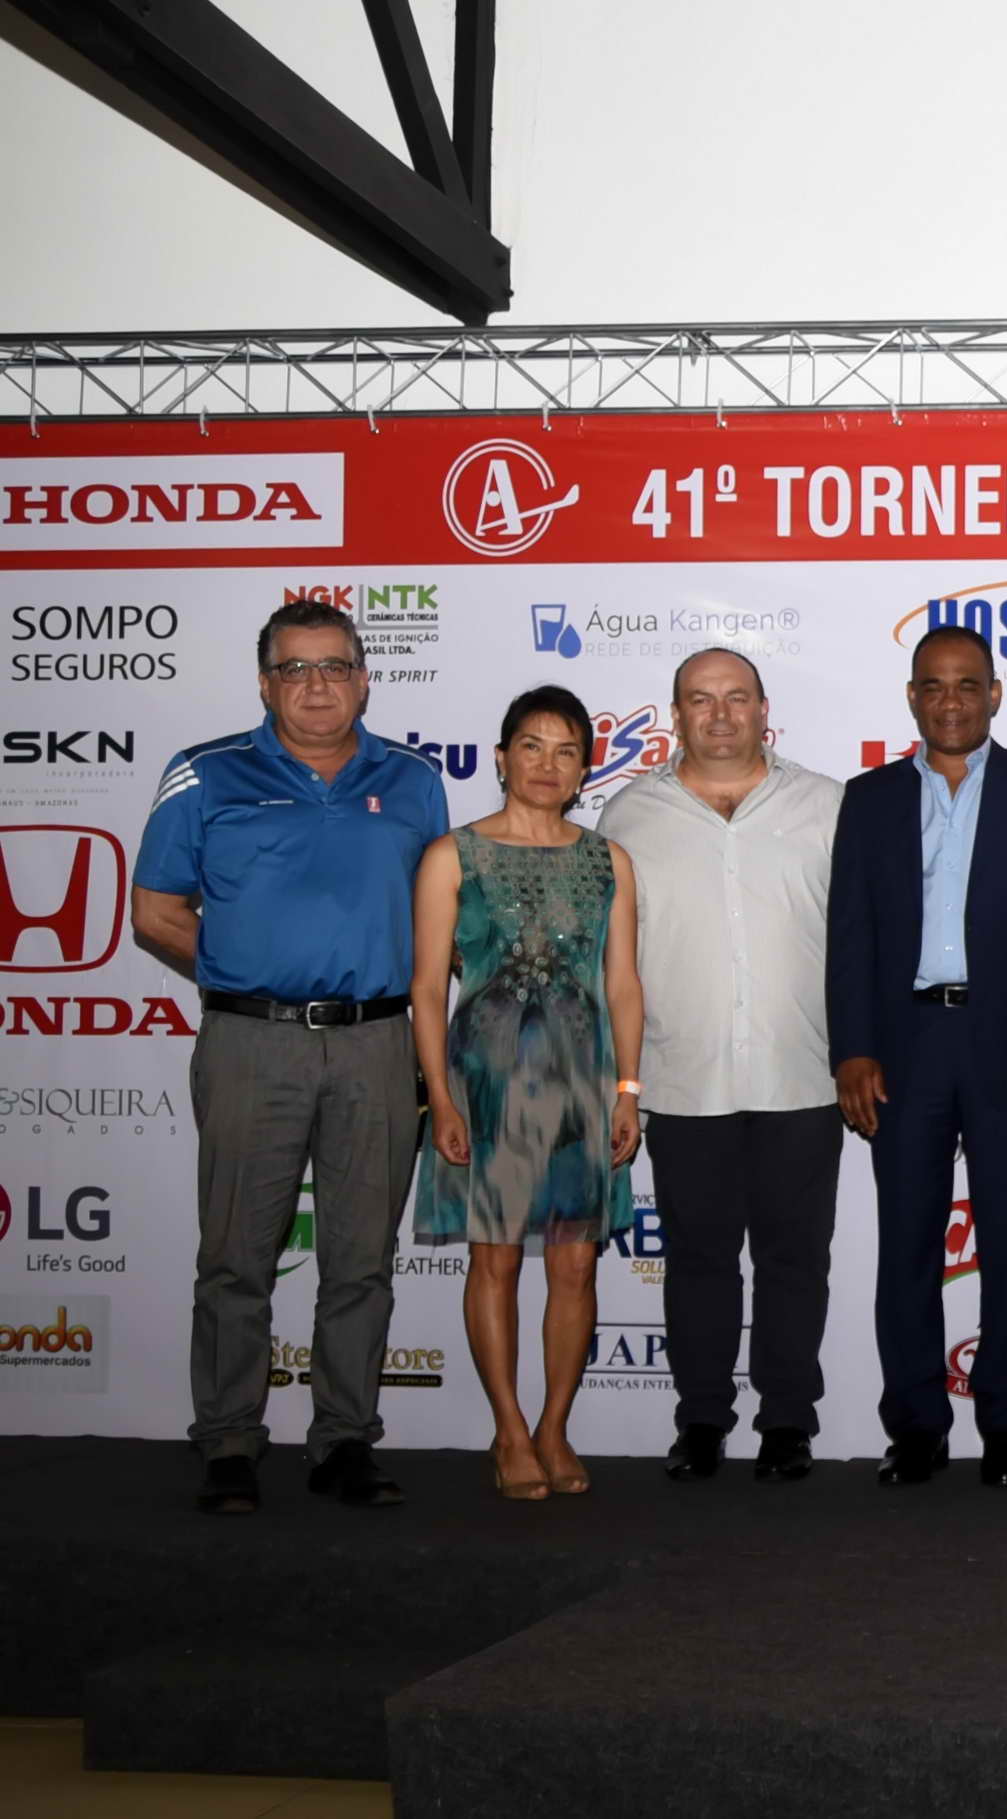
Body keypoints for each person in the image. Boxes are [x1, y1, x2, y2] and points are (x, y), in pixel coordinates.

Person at [132, 602, 451, 1515]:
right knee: (236, 1256)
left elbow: (435, 919)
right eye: (295, 668)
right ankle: (229, 1441)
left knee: (362, 1259)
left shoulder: (414, 780)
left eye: (335, 666)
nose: (317, 685)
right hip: (251, 1043)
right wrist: (247, 970)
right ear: (266, 683)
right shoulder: (204, 772)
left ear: (364, 679)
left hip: (378, 1043)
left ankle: (343, 1440)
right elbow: (155, 911)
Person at [829, 626, 1007, 1489]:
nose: (951, 701)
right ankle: (915, 1426)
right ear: (912, 697)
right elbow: (849, 936)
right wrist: (852, 1048)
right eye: (934, 686)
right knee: (907, 1240)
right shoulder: (867, 798)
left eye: (968, 685)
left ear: (995, 694)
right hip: (903, 1047)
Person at [599, 648, 844, 1485]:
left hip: (802, 1075)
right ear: (676, 714)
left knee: (794, 1261)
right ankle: (700, 1419)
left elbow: (865, 943)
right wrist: (621, 1079)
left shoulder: (827, 807)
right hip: (682, 1078)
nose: (720, 714)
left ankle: (787, 1421)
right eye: (701, 700)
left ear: (764, 708)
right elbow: (613, 964)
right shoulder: (629, 814)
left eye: (737, 697)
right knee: (698, 1262)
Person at [410, 685, 642, 1500]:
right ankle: (509, 1428)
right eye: (532, 746)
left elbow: (623, 985)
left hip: (581, 1087)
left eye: (566, 750)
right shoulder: (452, 856)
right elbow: (426, 989)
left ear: (585, 770)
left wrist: (627, 1090)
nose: (548, 764)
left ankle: (554, 1426)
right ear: (502, 757)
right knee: (497, 1259)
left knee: (576, 1265)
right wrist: (440, 1098)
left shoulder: (609, 861)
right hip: (487, 1085)